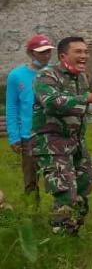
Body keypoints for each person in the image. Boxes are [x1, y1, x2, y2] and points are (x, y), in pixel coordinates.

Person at [32, 36, 92, 234]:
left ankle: (74, 229)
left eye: (85, 52)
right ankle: (61, 235)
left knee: (84, 186)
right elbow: (51, 102)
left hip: (76, 142)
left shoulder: (80, 77)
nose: (84, 56)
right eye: (78, 52)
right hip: (53, 143)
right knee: (65, 191)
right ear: (63, 55)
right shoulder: (46, 76)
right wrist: (87, 98)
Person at [5, 34, 55, 205]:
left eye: (48, 51)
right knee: (30, 178)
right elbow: (12, 107)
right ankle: (32, 213)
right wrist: (14, 136)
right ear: (31, 53)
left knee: (59, 175)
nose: (46, 55)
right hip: (29, 135)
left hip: (53, 133)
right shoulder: (16, 76)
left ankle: (61, 211)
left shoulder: (55, 72)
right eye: (41, 52)